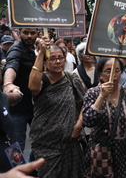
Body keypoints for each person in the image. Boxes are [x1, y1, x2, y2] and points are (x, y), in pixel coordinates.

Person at [28, 39, 85, 178]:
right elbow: (33, 87)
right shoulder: (42, 80)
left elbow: (84, 104)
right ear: (45, 63)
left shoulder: (72, 79)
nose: (58, 62)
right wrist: (41, 53)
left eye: (61, 58)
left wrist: (78, 125)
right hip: (47, 144)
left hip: (71, 142)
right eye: (52, 59)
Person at [83, 58, 126, 178]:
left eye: (117, 70)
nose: (113, 74)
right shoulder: (92, 93)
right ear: (100, 73)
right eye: (108, 71)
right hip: (102, 150)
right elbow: (88, 120)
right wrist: (102, 96)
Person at [2, 28, 38, 157]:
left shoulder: (35, 50)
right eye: (25, 33)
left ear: (37, 34)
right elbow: (11, 66)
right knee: (16, 149)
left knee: (40, 143)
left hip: (35, 108)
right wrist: (8, 83)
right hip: (17, 110)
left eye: (32, 33)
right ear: (19, 33)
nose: (29, 36)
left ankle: (30, 171)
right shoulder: (16, 50)